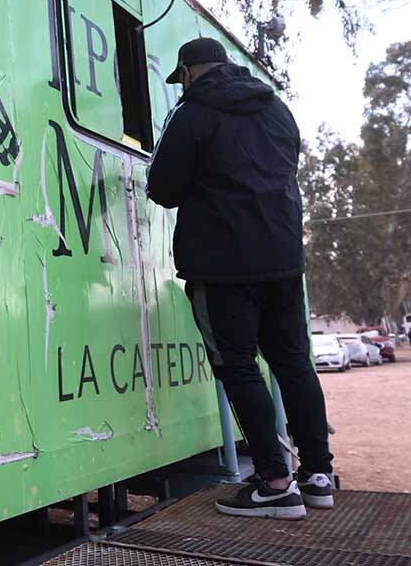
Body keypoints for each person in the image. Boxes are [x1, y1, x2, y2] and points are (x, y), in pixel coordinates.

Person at [147, 37, 334, 520]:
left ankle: (274, 482)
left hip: (223, 265)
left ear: (189, 72)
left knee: (239, 366)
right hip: (284, 258)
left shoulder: (193, 114)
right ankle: (318, 475)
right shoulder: (278, 110)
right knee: (293, 364)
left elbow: (163, 189)